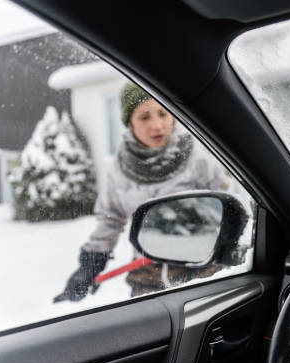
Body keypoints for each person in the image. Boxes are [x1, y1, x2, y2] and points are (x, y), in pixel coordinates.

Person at [54, 82, 229, 302]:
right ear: (130, 123)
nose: (157, 125)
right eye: (144, 117)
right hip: (147, 275)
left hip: (200, 267)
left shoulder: (200, 159)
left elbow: (227, 205)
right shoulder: (120, 170)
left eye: (163, 113)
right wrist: (90, 266)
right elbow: (110, 218)